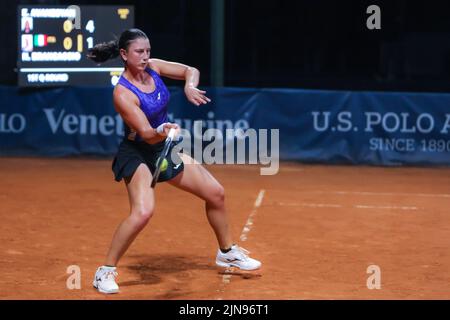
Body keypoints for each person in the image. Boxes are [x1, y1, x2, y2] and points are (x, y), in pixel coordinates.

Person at [87, 28, 261, 294]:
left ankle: (227, 252)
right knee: (143, 212)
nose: (145, 57)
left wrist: (189, 86)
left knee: (215, 193)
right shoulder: (123, 93)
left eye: (147, 51)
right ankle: (105, 271)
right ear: (124, 54)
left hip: (165, 147)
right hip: (138, 153)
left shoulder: (154, 67)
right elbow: (145, 134)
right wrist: (161, 131)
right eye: (138, 52)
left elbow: (189, 70)